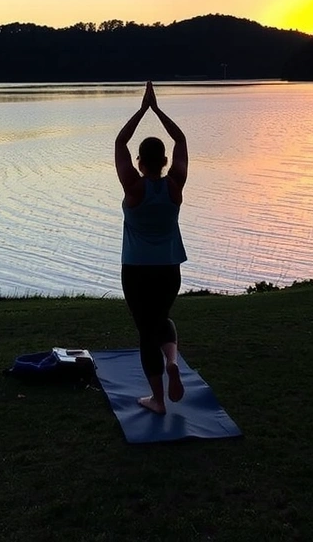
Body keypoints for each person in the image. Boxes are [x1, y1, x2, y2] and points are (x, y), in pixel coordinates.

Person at [114, 81, 188, 414]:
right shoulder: (175, 185)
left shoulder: (133, 186)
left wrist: (142, 109)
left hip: (137, 270)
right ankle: (171, 362)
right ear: (164, 160)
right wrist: (158, 111)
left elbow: (119, 142)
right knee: (162, 319)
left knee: (146, 331)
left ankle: (157, 400)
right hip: (169, 268)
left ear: (141, 161)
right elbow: (181, 140)